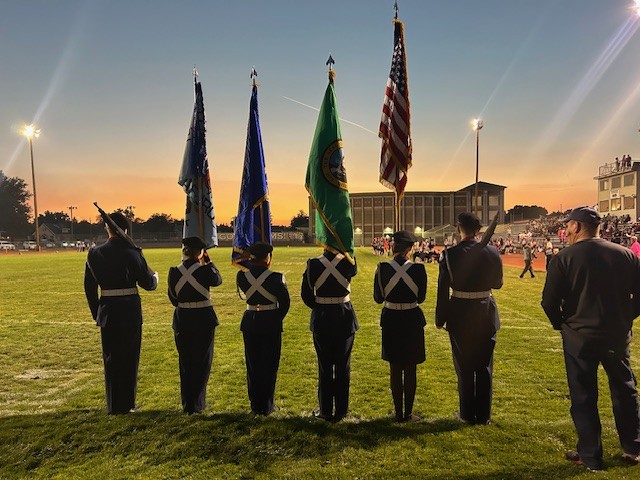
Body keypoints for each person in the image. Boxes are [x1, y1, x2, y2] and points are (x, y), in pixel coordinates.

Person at [541, 206, 640, 471]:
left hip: (579, 337)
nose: (566, 230)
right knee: (625, 390)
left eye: (568, 225)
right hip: (616, 336)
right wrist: (624, 318)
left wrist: (561, 325)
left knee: (584, 396)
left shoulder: (565, 257)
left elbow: (549, 301)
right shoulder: (626, 255)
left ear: (577, 226)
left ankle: (591, 455)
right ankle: (632, 447)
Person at [84, 212, 158, 414]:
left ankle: (113, 404)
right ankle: (127, 403)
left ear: (107, 229)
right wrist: (155, 276)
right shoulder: (132, 252)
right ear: (125, 230)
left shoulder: (94, 253)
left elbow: (89, 288)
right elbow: (148, 284)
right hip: (129, 311)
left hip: (107, 311)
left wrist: (97, 313)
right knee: (128, 358)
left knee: (111, 358)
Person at [435, 212, 503, 425]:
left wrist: (440, 318)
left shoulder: (449, 255)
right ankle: (483, 415)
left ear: (458, 229)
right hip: (484, 312)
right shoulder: (492, 252)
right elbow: (498, 284)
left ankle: (466, 413)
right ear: (478, 231)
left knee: (464, 366)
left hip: (460, 313)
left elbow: (442, 289)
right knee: (484, 367)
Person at [374, 231, 427, 422]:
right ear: (409, 248)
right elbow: (421, 298)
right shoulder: (419, 270)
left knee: (395, 368)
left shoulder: (382, 268)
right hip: (412, 319)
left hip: (391, 319)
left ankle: (397, 413)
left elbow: (378, 298)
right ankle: (408, 413)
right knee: (411, 368)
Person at [301, 248, 358, 422]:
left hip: (323, 318)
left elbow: (306, 295)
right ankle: (341, 410)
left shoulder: (313, 264)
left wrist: (320, 307)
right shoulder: (348, 262)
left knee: (324, 367)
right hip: (344, 317)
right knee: (343, 367)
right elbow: (353, 269)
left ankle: (325, 410)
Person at [167, 237, 222, 414]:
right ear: (201, 253)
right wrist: (210, 262)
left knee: (186, 363)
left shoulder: (174, 272)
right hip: (203, 318)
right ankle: (198, 403)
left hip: (182, 318)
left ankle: (188, 403)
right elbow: (217, 280)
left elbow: (173, 299)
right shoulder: (206, 271)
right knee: (202, 362)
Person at [236, 242, 290, 415]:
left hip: (250, 321)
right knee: (269, 365)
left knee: (253, 365)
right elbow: (285, 304)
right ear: (268, 258)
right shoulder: (276, 277)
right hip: (270, 322)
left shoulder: (242, 276)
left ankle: (255, 404)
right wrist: (274, 318)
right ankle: (266, 405)